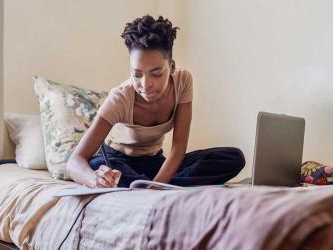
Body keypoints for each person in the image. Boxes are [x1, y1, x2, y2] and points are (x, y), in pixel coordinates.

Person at [66, 15, 245, 188]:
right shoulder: (120, 98)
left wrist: (156, 186)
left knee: (233, 158)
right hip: (119, 161)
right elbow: (74, 162)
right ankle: (155, 184)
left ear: (172, 67)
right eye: (137, 74)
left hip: (155, 162)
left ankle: (143, 186)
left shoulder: (183, 81)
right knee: (107, 169)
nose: (145, 84)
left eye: (157, 73)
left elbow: (178, 147)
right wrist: (95, 179)